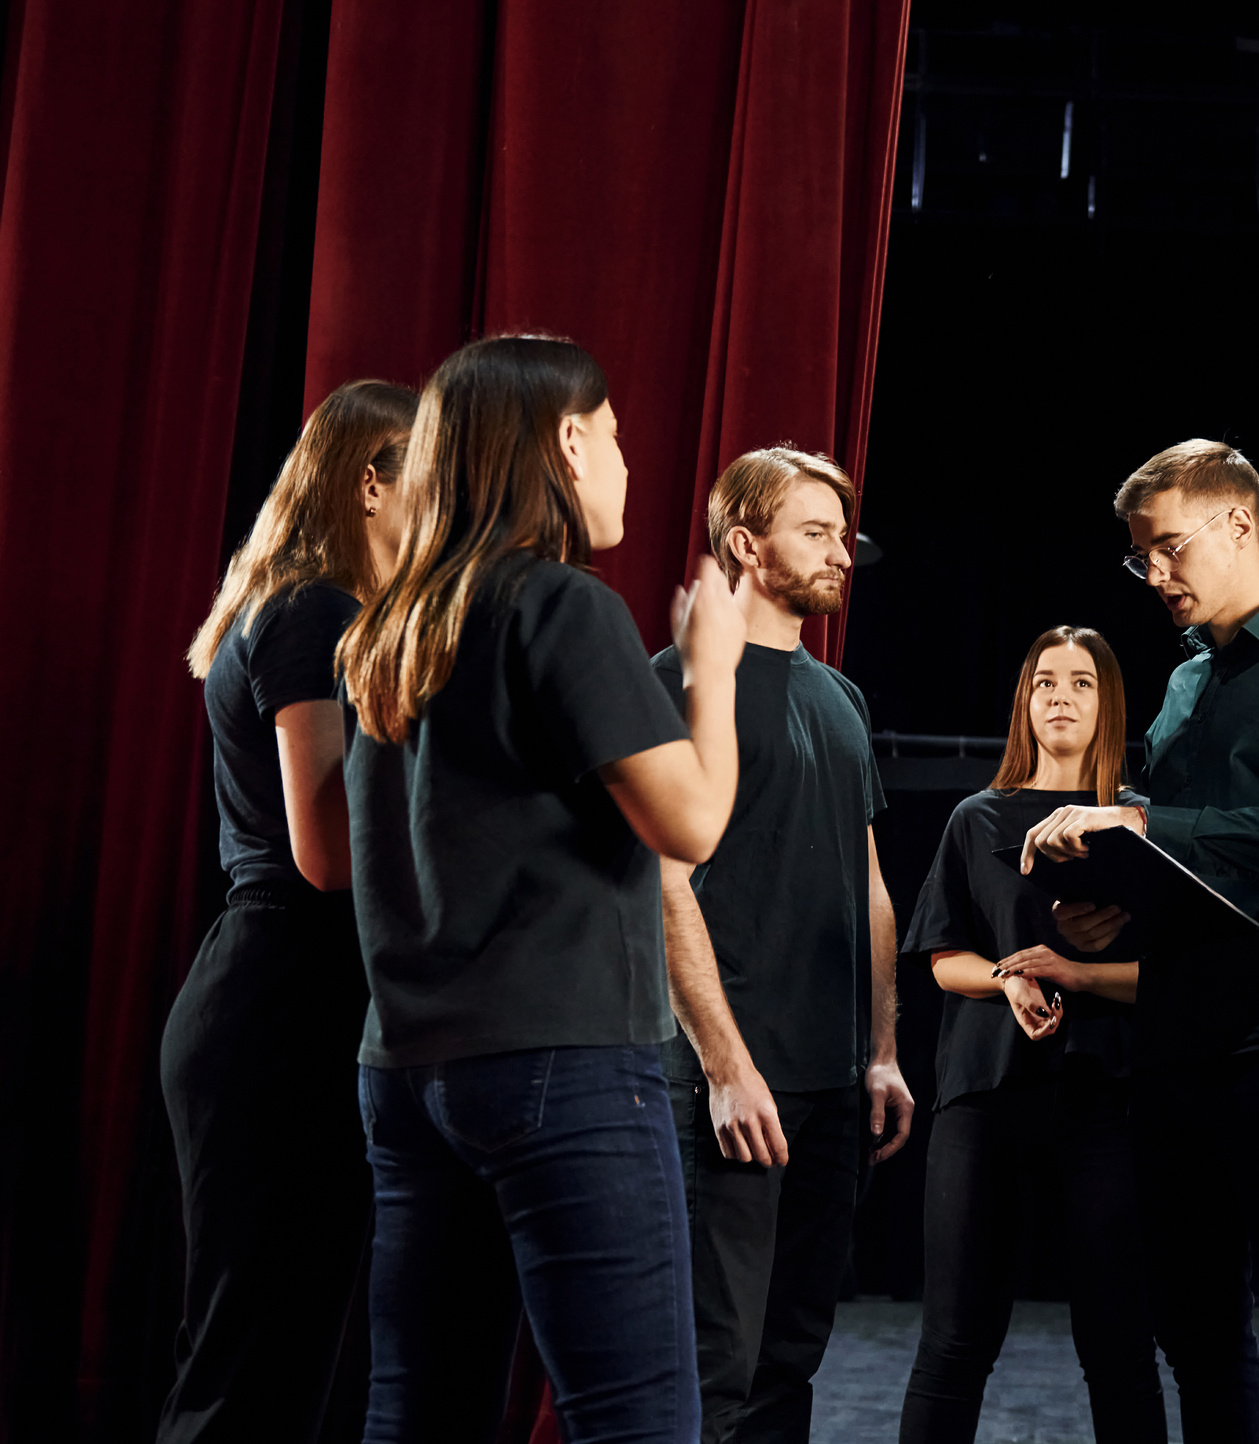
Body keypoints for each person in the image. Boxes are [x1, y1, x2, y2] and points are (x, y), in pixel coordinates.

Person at [339, 335, 748, 1444]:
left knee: (419, 1416)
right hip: (557, 1065)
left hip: (408, 1073)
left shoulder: (389, 621)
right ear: (567, 441)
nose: (623, 462)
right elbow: (692, 823)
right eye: (612, 437)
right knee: (637, 1422)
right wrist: (710, 666)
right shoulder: (561, 606)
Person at [1023, 440, 1259, 1444]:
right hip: (1170, 1048)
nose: (1153, 574)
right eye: (1138, 556)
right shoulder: (1187, 682)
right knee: (1194, 1337)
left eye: (1165, 547)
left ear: (1237, 523)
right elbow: (1183, 870)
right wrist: (1101, 902)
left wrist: (1145, 828)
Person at [159, 379, 417, 1443]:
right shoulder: (317, 608)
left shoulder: (315, 606)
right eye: (429, 483)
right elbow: (322, 850)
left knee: (282, 1353)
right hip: (281, 998)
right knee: (249, 1366)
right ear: (369, 483)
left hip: (289, 993)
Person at [653, 445, 909, 1444]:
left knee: (788, 1362)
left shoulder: (840, 698)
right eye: (815, 531)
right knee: (713, 1365)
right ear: (745, 544)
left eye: (842, 534)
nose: (841, 552)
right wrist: (722, 1066)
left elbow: (872, 886)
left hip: (831, 1082)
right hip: (728, 1081)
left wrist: (880, 1050)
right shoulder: (679, 679)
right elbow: (658, 881)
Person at [896, 625, 1165, 1443]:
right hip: (984, 1097)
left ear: (1107, 703)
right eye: (1045, 681)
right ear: (1025, 701)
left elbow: (1173, 977)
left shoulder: (1142, 825)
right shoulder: (977, 818)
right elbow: (943, 958)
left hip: (1105, 1101)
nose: (1059, 695)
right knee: (953, 1340)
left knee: (1119, 1344)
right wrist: (1010, 975)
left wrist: (1075, 975)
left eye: (1081, 682)